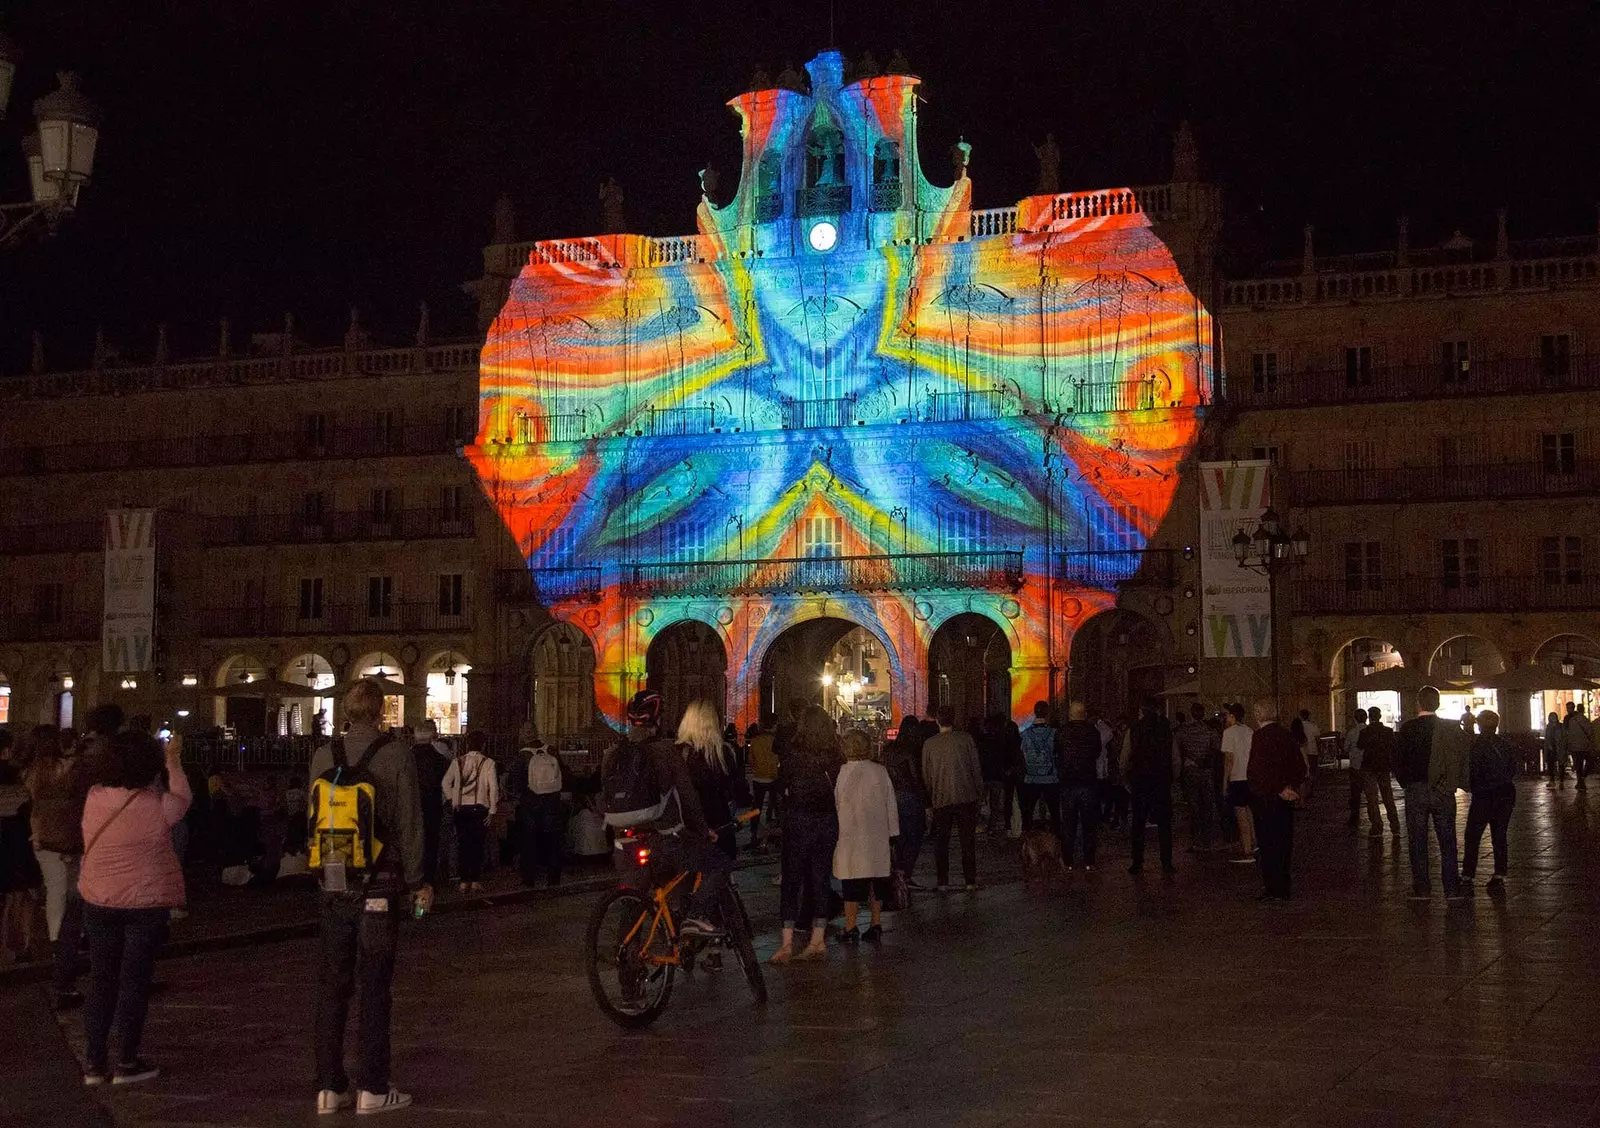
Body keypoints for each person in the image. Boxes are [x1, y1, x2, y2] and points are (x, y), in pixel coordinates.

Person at [77, 729, 191, 1086]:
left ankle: (94, 1063)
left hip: (99, 898)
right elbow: (184, 796)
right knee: (134, 981)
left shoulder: (94, 797)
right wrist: (172, 757)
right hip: (145, 902)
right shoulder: (159, 806)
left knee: (101, 979)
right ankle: (127, 1060)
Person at [602, 690, 729, 942]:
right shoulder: (666, 751)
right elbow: (688, 797)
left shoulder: (614, 753)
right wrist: (703, 831)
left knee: (634, 892)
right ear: (658, 719)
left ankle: (626, 950)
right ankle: (696, 916)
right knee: (718, 863)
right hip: (663, 838)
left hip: (624, 839)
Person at [23, 719, 98, 1008]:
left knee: (55, 886)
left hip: (42, 834)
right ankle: (62, 939)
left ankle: (59, 937)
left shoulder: (31, 771)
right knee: (66, 891)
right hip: (64, 836)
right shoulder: (60, 771)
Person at [772, 704, 842, 962]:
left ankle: (787, 944)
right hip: (826, 820)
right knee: (820, 879)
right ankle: (817, 940)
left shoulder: (793, 753)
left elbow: (781, 783)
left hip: (798, 819)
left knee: (791, 881)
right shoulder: (835, 754)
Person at [1396, 685, 1470, 901]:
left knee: (1418, 840)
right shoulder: (1449, 728)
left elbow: (1398, 759)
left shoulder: (1408, 729)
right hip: (1443, 789)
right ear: (1437, 703)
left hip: (1416, 789)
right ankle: (1451, 888)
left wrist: (1407, 782)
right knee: (1447, 840)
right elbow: (1462, 755)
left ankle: (1422, 888)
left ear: (1418, 703)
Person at [832, 728, 898, 944]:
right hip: (877, 831)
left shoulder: (841, 773)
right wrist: (892, 832)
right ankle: (875, 922)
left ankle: (850, 926)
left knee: (851, 880)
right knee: (876, 878)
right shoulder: (880, 771)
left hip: (850, 832)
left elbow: (837, 803)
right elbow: (890, 803)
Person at [1246, 700, 1305, 900]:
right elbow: (1299, 766)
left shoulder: (1260, 737)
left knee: (1268, 844)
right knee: (1284, 842)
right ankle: (1283, 886)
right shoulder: (1286, 735)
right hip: (1284, 797)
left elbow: (1258, 770)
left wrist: (1277, 788)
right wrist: (1290, 787)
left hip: (1266, 798)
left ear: (1259, 714)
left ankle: (1273, 888)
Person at [921, 705, 983, 892]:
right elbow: (975, 768)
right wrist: (979, 792)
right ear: (954, 720)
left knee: (942, 842)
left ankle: (943, 882)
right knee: (967, 841)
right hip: (966, 796)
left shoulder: (929, 744)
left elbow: (926, 775)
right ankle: (970, 880)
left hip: (941, 798)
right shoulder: (966, 740)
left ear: (938, 721)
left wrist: (930, 799)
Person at [678, 700, 749, 863]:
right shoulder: (724, 753)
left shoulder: (678, 753)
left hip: (687, 825)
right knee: (719, 875)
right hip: (719, 823)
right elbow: (738, 790)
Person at [1462, 709, 1516, 886]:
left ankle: (1468, 875)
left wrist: (1471, 785)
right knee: (1499, 834)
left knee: (1473, 835)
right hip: (1506, 792)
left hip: (1484, 794)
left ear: (1480, 725)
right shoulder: (1505, 744)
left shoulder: (1477, 745)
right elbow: (1512, 768)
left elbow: (1473, 769)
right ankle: (1499, 873)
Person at [1122, 698, 1176, 875]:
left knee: (1138, 824)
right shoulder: (1166, 730)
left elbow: (1125, 757)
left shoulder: (1134, 730)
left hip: (1140, 781)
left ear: (1142, 711)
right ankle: (1166, 862)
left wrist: (1125, 779)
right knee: (1164, 825)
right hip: (1160, 781)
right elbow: (1175, 756)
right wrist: (1173, 776)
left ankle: (1137, 862)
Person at [442, 731, 498, 893]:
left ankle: (463, 880)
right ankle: (474, 880)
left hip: (460, 808)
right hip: (479, 809)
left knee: (463, 843)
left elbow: (445, 783)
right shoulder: (488, 763)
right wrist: (492, 810)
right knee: (477, 845)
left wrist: (453, 799)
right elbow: (492, 788)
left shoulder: (457, 762)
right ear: (483, 745)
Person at [517, 724, 567, 887]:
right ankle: (554, 878)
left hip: (530, 803)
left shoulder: (522, 755)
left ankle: (529, 878)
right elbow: (564, 773)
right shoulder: (552, 751)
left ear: (524, 735)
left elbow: (516, 781)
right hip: (552, 802)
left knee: (529, 842)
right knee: (554, 841)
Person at [882, 717, 927, 894]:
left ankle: (898, 872)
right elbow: (916, 778)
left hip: (891, 797)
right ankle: (905, 874)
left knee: (898, 837)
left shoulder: (888, 751)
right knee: (914, 836)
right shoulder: (911, 751)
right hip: (909, 796)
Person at [1056, 702, 1102, 870]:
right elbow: (1097, 753)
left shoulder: (1062, 732)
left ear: (1070, 714)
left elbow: (1058, 751)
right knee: (1089, 822)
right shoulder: (1093, 732)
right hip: (1088, 782)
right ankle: (1089, 860)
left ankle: (1068, 860)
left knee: (1069, 823)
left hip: (1068, 782)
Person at [1173, 702, 1221, 851]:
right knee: (1207, 805)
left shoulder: (1183, 731)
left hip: (1190, 771)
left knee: (1194, 806)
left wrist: (1177, 773)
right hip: (1206, 772)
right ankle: (1207, 840)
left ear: (1191, 713)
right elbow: (1217, 748)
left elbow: (1177, 753)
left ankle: (1197, 841)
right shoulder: (1210, 730)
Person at [409, 721, 450, 887]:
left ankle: (412, 877)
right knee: (431, 843)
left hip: (412, 805)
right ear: (433, 736)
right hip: (433, 805)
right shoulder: (440, 759)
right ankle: (429, 880)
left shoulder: (407, 757)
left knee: (412, 842)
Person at [1355, 707, 1402, 838]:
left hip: (1369, 767)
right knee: (1388, 797)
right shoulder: (1387, 731)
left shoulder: (1365, 732)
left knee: (1372, 799)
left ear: (1370, 717)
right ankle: (1395, 826)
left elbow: (1360, 745)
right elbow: (1394, 747)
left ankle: (1376, 826)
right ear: (1380, 716)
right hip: (1384, 767)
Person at [1016, 702, 1061, 838]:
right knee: (1054, 812)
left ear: (1034, 712)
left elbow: (1021, 755)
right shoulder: (1054, 733)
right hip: (1051, 778)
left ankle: (1029, 842)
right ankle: (1056, 842)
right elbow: (1059, 754)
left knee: (1028, 812)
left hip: (1031, 778)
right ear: (1047, 713)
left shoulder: (1025, 734)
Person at [1221, 704, 1256, 863]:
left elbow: (1229, 759)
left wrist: (1224, 781)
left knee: (1240, 814)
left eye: (1227, 715)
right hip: (1250, 776)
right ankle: (1254, 842)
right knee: (1250, 812)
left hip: (1237, 776)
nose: (1225, 718)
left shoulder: (1228, 733)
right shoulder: (1249, 731)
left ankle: (1247, 850)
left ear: (1233, 716)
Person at [746, 721, 778, 851]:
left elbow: (750, 759)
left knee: (757, 805)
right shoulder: (775, 741)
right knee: (774, 803)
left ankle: (753, 831)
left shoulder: (755, 740)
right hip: (773, 777)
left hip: (758, 777)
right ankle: (774, 827)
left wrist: (756, 769)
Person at [979, 712, 1011, 837]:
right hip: (996, 775)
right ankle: (991, 825)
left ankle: (985, 824)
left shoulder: (982, 740)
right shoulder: (1001, 741)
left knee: (982, 801)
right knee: (995, 803)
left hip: (985, 775)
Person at [1343, 707, 1367, 830]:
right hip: (1368, 766)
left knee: (1355, 792)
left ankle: (1355, 814)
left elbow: (1346, 748)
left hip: (1355, 765)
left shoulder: (1352, 732)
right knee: (1370, 793)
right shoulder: (1369, 731)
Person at [1564, 701, 1593, 789]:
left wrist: (1568, 744)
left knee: (1578, 764)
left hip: (1575, 746)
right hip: (1583, 745)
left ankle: (1580, 780)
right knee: (1585, 762)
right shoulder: (1583, 718)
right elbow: (1590, 731)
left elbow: (1567, 733)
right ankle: (1581, 780)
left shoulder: (1570, 719)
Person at [1543, 711, 1569, 786]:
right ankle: (1552, 780)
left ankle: (1561, 781)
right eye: (1551, 717)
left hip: (1559, 747)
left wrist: (1564, 746)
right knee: (1551, 764)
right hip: (1551, 748)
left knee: (1561, 764)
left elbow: (1564, 737)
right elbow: (1547, 738)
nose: (1552, 718)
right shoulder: (1548, 727)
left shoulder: (1561, 726)